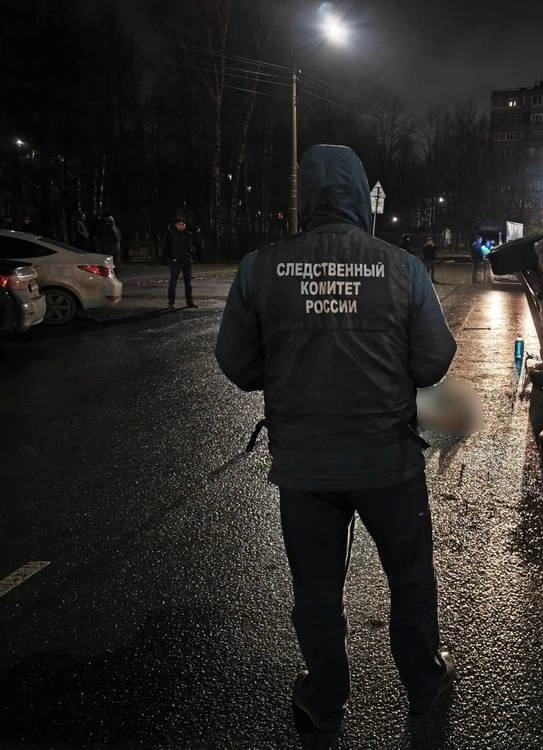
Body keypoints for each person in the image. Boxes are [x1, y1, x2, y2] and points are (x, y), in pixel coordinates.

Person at [214, 144, 458, 731]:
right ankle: (426, 687)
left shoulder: (261, 267)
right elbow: (432, 362)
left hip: (305, 469)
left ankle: (324, 699)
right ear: (359, 194)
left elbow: (238, 365)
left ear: (306, 197)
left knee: (317, 590)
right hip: (389, 463)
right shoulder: (401, 267)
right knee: (410, 582)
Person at [160, 214, 198, 309]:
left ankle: (189, 301)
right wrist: (168, 258)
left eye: (183, 224)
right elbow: (166, 247)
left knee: (188, 283)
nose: (181, 226)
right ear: (176, 225)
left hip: (187, 261)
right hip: (176, 261)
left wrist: (192, 250)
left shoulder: (189, 234)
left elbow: (195, 246)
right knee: (173, 282)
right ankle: (171, 303)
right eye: (179, 224)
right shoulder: (171, 235)